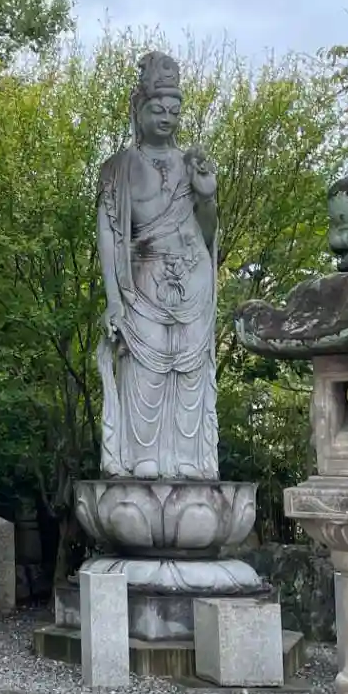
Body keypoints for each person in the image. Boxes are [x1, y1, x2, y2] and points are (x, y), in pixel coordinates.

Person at [95, 51, 221, 481]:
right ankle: (142, 458)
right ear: (138, 109)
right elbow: (109, 236)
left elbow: (207, 233)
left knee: (190, 373)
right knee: (146, 372)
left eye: (174, 110)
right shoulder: (118, 168)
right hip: (142, 281)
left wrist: (207, 196)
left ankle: (189, 460)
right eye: (158, 109)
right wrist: (113, 299)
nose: (167, 117)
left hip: (194, 278)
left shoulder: (191, 164)